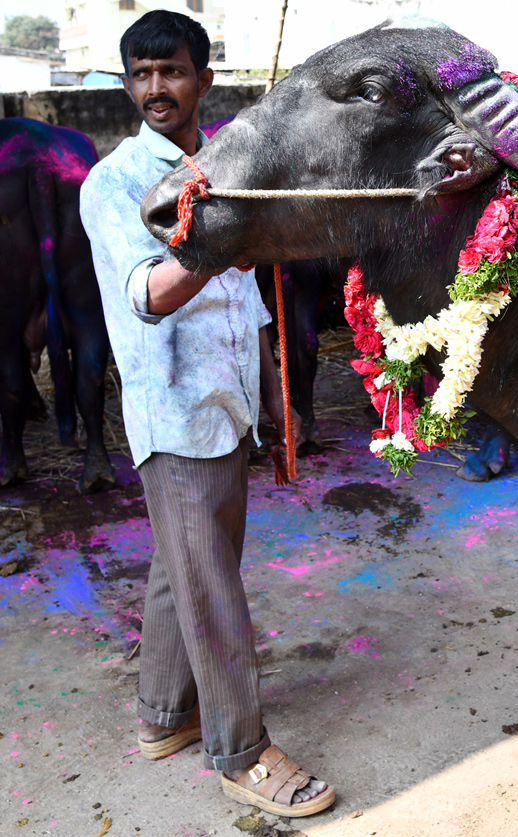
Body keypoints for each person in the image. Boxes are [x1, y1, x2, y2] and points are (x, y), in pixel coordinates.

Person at [79, 10, 334, 818]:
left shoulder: (225, 167)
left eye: (173, 71)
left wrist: (279, 401)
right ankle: (242, 750)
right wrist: (224, 235)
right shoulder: (115, 182)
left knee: (185, 561)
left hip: (229, 400)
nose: (158, 88)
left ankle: (163, 716)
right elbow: (150, 295)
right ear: (127, 85)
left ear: (202, 79)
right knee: (212, 581)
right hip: (173, 407)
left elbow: (249, 299)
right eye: (142, 74)